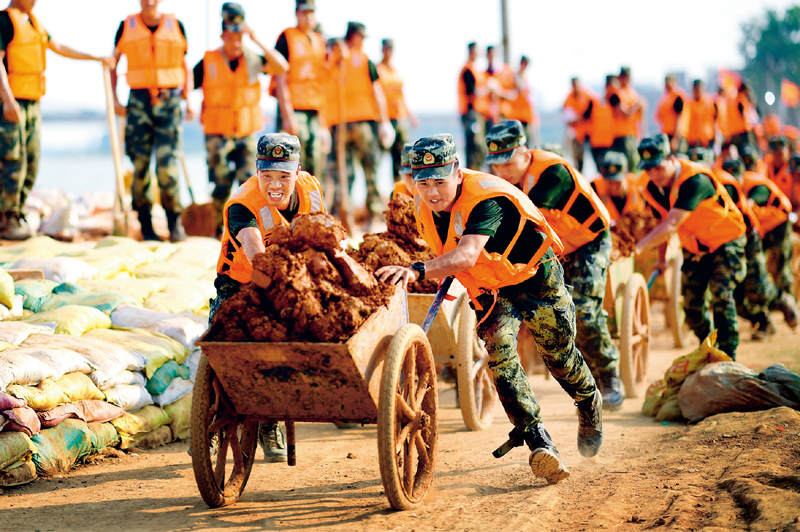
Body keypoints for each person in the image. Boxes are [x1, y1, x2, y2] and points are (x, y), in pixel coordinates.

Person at [376, 133, 603, 484]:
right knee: (499, 355)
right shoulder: (424, 208)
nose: (432, 192)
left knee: (558, 355)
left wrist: (417, 269)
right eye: (422, 183)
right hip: (492, 289)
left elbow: (466, 253)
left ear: (456, 171)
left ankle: (588, 401)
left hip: (533, 276)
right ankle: (538, 439)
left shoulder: (486, 198)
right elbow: (453, 253)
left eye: (439, 182)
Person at [483, 120, 623, 411]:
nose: (501, 171)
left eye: (507, 162)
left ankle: (610, 376)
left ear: (524, 151)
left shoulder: (552, 172)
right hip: (551, 247)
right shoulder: (504, 181)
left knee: (585, 310)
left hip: (588, 242)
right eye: (496, 165)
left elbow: (522, 218)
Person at [213, 132, 325, 462]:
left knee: (283, 355)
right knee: (221, 351)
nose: (274, 184)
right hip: (241, 284)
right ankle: (212, 428)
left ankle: (269, 422)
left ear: (298, 171)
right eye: (267, 176)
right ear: (257, 171)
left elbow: (319, 232)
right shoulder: (242, 206)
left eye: (283, 176)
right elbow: (256, 254)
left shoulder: (311, 189)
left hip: (290, 280)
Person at [0, 0, 114, 240]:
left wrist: (95, 58)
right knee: (13, 161)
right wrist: (8, 100)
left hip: (33, 102)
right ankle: (6, 219)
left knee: (31, 161)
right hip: (12, 102)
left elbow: (59, 47)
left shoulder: (34, 23)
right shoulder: (5, 21)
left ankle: (17, 212)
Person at [634, 134, 746, 359]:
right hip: (696, 248)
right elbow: (659, 222)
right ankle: (711, 348)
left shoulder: (695, 180)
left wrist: (639, 247)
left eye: (658, 167)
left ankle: (729, 356)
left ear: (671, 158)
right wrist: (662, 259)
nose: (654, 174)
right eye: (648, 169)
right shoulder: (651, 188)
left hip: (726, 240)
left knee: (721, 297)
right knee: (692, 308)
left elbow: (671, 223)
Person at [193, 3, 289, 236]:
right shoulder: (208, 61)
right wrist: (186, 104)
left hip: (246, 132)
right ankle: (218, 229)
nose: (235, 43)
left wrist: (256, 39)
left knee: (250, 182)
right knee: (221, 182)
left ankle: (248, 227)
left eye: (240, 37)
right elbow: (187, 83)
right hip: (218, 132)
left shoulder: (253, 59)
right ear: (223, 36)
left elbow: (282, 66)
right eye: (231, 37)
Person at [112, 0, 193, 242]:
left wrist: (188, 99)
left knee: (168, 165)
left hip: (169, 101)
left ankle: (174, 221)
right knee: (140, 165)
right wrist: (116, 99)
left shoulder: (176, 25)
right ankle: (145, 224)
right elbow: (113, 65)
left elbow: (184, 64)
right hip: (138, 101)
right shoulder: (125, 26)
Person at [325, 21, 393, 229]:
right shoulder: (340, 60)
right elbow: (376, 92)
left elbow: (376, 91)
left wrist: (384, 122)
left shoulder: (342, 59)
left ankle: (366, 217)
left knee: (363, 171)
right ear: (355, 37)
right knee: (350, 173)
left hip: (352, 123)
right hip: (347, 124)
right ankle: (343, 218)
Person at [720, 157, 798, 339]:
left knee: (775, 271)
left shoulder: (755, 185)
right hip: (749, 234)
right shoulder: (723, 187)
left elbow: (750, 205)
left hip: (777, 225)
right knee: (736, 296)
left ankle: (785, 300)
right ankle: (764, 322)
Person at [273, 0, 328, 179]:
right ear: (297, 13)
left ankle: (312, 204)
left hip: (314, 109)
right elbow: (280, 79)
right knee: (292, 160)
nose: (309, 17)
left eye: (312, 12)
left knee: (315, 161)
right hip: (294, 108)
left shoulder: (319, 40)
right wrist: (287, 116)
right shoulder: (286, 38)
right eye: (305, 12)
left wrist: (324, 122)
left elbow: (323, 80)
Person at [377, 38, 417, 182]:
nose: (388, 52)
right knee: (378, 156)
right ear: (382, 50)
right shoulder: (378, 69)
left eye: (391, 49)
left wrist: (410, 115)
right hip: (385, 119)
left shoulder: (395, 71)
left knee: (402, 157)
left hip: (400, 118)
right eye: (386, 49)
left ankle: (399, 188)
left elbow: (401, 96)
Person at [458, 42, 489, 170]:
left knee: (480, 147)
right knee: (474, 146)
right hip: (471, 114)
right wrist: (489, 89)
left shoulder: (477, 70)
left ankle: (478, 171)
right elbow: (473, 92)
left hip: (478, 114)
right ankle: (473, 172)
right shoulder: (468, 70)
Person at [591, 151, 644, 221]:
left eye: (617, 181)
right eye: (610, 182)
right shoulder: (593, 189)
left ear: (626, 175)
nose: (614, 186)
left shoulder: (639, 185)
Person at [609, 66, 643, 171]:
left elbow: (639, 117)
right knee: (624, 166)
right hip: (621, 136)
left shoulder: (633, 93)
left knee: (634, 165)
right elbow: (624, 113)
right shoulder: (616, 93)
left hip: (632, 134)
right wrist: (636, 106)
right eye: (623, 77)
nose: (625, 80)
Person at [501, 56, 537, 146]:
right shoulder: (515, 77)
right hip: (517, 116)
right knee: (519, 143)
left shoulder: (525, 78)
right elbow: (518, 90)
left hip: (526, 117)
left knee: (527, 142)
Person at [562, 77, 594, 173]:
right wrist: (579, 118)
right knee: (578, 159)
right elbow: (566, 117)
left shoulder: (587, 95)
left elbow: (591, 112)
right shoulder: (569, 98)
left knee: (592, 157)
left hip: (589, 132)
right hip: (577, 134)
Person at [655, 75, 688, 154]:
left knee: (678, 159)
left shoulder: (677, 96)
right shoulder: (665, 97)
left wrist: (676, 139)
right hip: (667, 134)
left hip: (675, 134)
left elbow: (679, 117)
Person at [725, 83, 758, 152]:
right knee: (746, 152)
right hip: (743, 132)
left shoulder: (732, 100)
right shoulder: (742, 100)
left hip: (733, 133)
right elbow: (744, 116)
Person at [685, 80, 717, 149]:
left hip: (707, 137)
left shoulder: (709, 101)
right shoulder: (688, 103)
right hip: (692, 139)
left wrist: (715, 135)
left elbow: (714, 119)